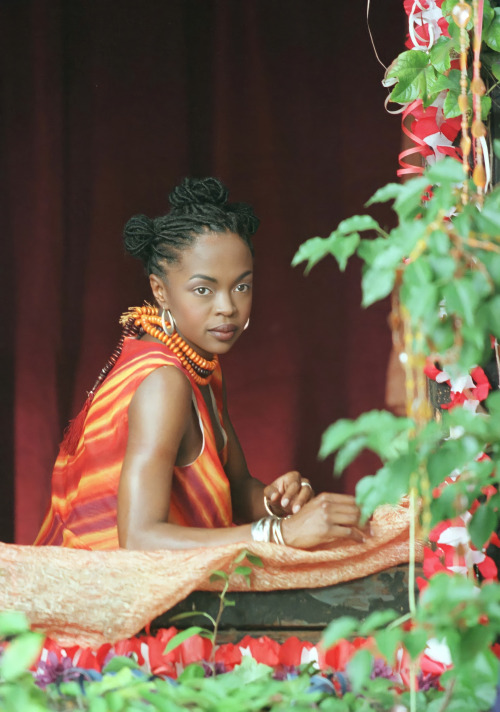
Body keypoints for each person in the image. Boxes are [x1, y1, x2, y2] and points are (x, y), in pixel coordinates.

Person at [35, 177, 363, 551]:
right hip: (106, 596)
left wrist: (278, 504)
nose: (227, 306)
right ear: (160, 291)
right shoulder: (163, 381)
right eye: (204, 289)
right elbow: (139, 540)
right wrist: (280, 534)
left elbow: (237, 488)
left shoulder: (197, 363)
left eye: (241, 286)